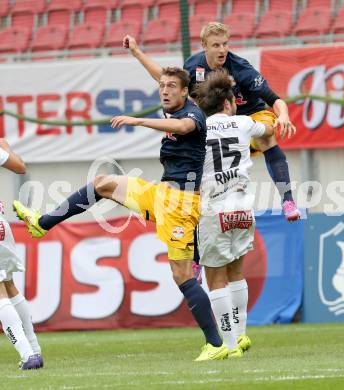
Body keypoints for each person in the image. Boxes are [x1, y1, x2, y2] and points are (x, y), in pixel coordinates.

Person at [13, 67, 229, 361]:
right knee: (104, 183)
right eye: (161, 86)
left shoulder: (193, 115)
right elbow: (165, 79)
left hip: (180, 204)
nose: (164, 90)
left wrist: (138, 120)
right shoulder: (174, 99)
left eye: (170, 87)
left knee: (180, 276)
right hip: (162, 194)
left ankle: (216, 344)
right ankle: (42, 223)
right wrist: (136, 54)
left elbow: (183, 129)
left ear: (184, 91)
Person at [122, 22, 300, 222]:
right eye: (216, 45)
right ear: (204, 45)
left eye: (225, 44)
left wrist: (283, 116)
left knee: (267, 137)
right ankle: (191, 204)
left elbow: (275, 100)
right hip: (217, 121)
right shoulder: (193, 65)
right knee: (191, 144)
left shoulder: (242, 69)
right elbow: (166, 80)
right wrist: (137, 52)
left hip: (250, 118)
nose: (222, 49)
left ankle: (288, 200)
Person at [194, 69, 277, 357]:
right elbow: (269, 129)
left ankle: (229, 346)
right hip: (242, 207)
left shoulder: (199, 129)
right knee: (237, 272)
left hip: (214, 208)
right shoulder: (243, 122)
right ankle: (241, 335)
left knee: (215, 278)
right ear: (228, 104)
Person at [0, 139, 43, 370]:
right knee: (8, 284)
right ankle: (34, 350)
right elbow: (20, 166)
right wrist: (5, 147)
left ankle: (28, 355)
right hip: (1, 226)